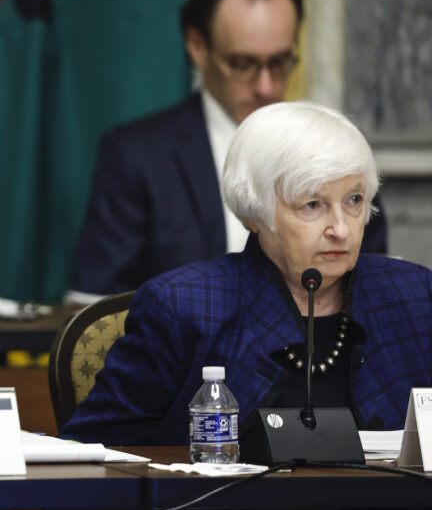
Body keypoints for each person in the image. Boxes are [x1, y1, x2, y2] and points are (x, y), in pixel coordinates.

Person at [61, 101, 432, 447]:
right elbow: (95, 463)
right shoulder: (184, 309)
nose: (342, 229)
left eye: (354, 200)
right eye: (312, 204)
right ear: (254, 214)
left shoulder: (414, 295)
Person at [69, 0, 387, 301]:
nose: (266, 86)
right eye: (243, 64)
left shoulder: (338, 148)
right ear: (198, 48)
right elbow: (96, 312)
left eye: (279, 63)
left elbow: (372, 286)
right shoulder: (137, 156)